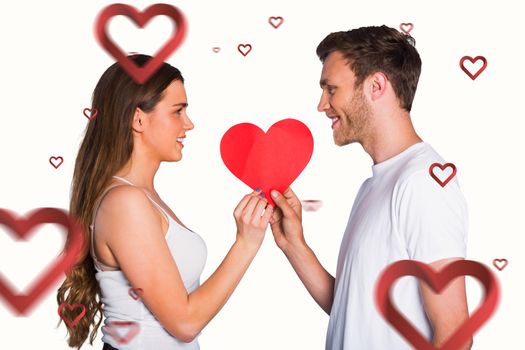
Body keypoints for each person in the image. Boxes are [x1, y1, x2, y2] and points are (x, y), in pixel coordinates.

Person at [269, 26, 472, 349]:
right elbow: (351, 307)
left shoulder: (423, 183)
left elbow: (455, 335)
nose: (322, 105)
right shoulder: (375, 185)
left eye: (331, 89)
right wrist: (294, 245)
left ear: (376, 85)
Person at [57, 54, 273, 350]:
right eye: (177, 111)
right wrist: (246, 243)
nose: (189, 124)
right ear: (139, 119)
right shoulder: (125, 202)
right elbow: (184, 323)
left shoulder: (141, 197)